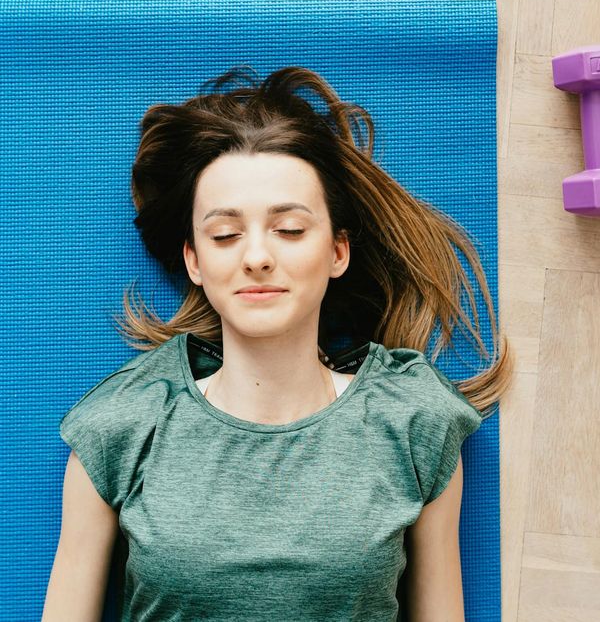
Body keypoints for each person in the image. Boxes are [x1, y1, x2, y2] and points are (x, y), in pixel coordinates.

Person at [43, 65, 514, 621]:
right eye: (224, 235)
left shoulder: (414, 421)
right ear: (194, 260)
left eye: (289, 229)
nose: (258, 256)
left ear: (338, 251)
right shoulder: (121, 424)